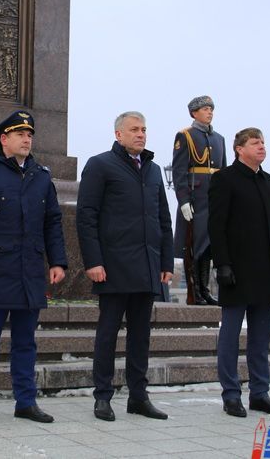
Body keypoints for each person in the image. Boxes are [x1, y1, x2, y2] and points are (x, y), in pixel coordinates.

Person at [0, 111, 67, 427]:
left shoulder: (41, 176)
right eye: (20, 134)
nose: (27, 139)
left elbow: (52, 222)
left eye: (29, 134)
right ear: (4, 139)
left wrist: (57, 261)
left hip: (29, 272)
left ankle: (26, 401)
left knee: (25, 342)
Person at [76, 111, 174, 422]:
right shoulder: (100, 164)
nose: (141, 134)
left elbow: (163, 219)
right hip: (113, 266)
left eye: (144, 129)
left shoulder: (154, 169)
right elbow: (86, 216)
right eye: (134, 129)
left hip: (147, 267)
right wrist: (93, 260)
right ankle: (102, 396)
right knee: (107, 334)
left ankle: (138, 396)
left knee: (141, 336)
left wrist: (166, 261)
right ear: (118, 134)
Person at [208, 127, 270, 418]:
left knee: (260, 339)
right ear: (239, 149)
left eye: (263, 142)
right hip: (237, 271)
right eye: (255, 143)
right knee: (230, 337)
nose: (262, 147)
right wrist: (222, 264)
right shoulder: (224, 179)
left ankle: (260, 393)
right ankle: (231, 394)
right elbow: (216, 226)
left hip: (266, 270)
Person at [172, 95, 226, 305]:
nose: (209, 112)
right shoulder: (185, 135)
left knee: (209, 247)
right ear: (194, 113)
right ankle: (194, 292)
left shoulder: (219, 139)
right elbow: (179, 171)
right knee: (194, 247)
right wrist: (183, 200)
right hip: (195, 201)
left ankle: (204, 290)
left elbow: (222, 171)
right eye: (205, 109)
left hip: (213, 200)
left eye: (211, 109)